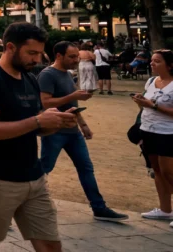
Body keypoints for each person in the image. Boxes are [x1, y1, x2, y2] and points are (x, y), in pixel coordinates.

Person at [0, 22, 79, 252]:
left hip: (34, 176)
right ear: (10, 47)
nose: (36, 59)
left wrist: (55, 123)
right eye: (31, 53)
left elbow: (35, 125)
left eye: (39, 53)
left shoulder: (30, 78)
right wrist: (38, 121)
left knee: (50, 244)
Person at [38, 41, 127, 221]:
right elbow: (45, 102)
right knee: (44, 168)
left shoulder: (67, 74)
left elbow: (72, 104)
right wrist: (73, 95)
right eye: (71, 57)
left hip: (73, 131)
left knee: (86, 168)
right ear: (58, 56)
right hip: (55, 130)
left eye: (77, 56)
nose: (76, 60)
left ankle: (99, 207)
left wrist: (83, 124)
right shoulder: (47, 75)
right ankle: (20, 202)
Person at [134, 49, 173, 223]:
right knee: (156, 170)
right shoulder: (151, 81)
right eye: (152, 60)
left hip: (168, 132)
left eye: (157, 61)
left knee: (169, 172)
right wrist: (141, 103)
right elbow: (146, 107)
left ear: (170, 65)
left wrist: (153, 106)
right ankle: (165, 209)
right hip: (148, 129)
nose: (152, 63)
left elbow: (155, 106)